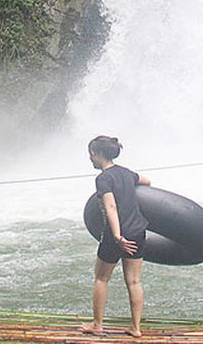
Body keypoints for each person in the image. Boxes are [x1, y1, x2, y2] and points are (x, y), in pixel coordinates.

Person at [81, 136, 151, 338]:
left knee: (101, 278)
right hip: (138, 231)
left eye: (91, 154)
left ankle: (97, 324)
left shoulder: (103, 179)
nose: (90, 158)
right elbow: (147, 181)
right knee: (134, 281)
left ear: (98, 154)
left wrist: (118, 235)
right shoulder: (126, 173)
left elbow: (111, 206)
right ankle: (136, 328)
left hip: (116, 235)